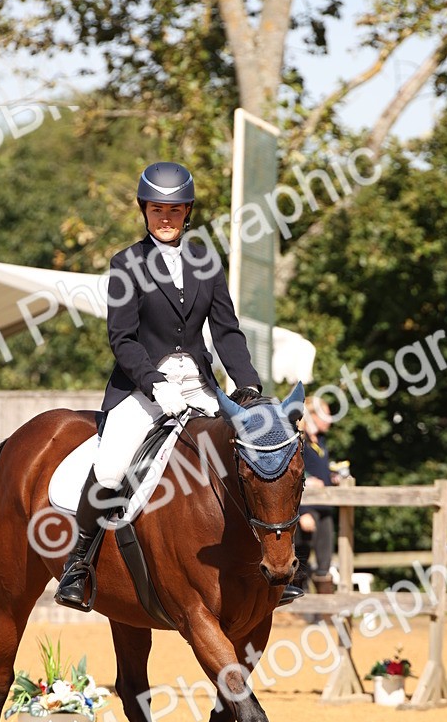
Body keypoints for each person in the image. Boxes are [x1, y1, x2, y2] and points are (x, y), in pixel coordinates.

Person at [55, 160, 302, 609]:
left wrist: (247, 387)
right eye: (155, 210)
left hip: (201, 385)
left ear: (187, 211)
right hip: (142, 385)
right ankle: (78, 564)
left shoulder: (207, 261)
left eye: (173, 210)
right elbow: (122, 338)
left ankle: (277, 561)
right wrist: (155, 384)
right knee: (110, 469)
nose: (165, 219)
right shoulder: (126, 263)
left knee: (254, 455)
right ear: (144, 211)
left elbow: (226, 331)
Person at [294, 395, 336, 590]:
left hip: (325, 506)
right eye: (325, 415)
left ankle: (325, 612)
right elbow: (297, 473)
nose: (330, 420)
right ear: (311, 416)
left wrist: (333, 476)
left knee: (325, 562)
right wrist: (303, 512)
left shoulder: (321, 441)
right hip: (306, 507)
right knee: (300, 556)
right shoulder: (299, 440)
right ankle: (298, 609)